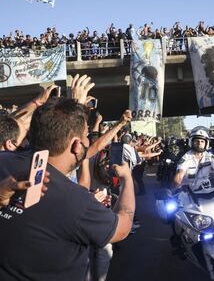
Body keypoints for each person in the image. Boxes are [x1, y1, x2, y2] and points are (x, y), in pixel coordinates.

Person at [0, 97, 135, 280]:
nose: (89, 141)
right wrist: (127, 179)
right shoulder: (76, 202)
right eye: (87, 136)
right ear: (76, 144)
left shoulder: (4, 161)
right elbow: (123, 227)